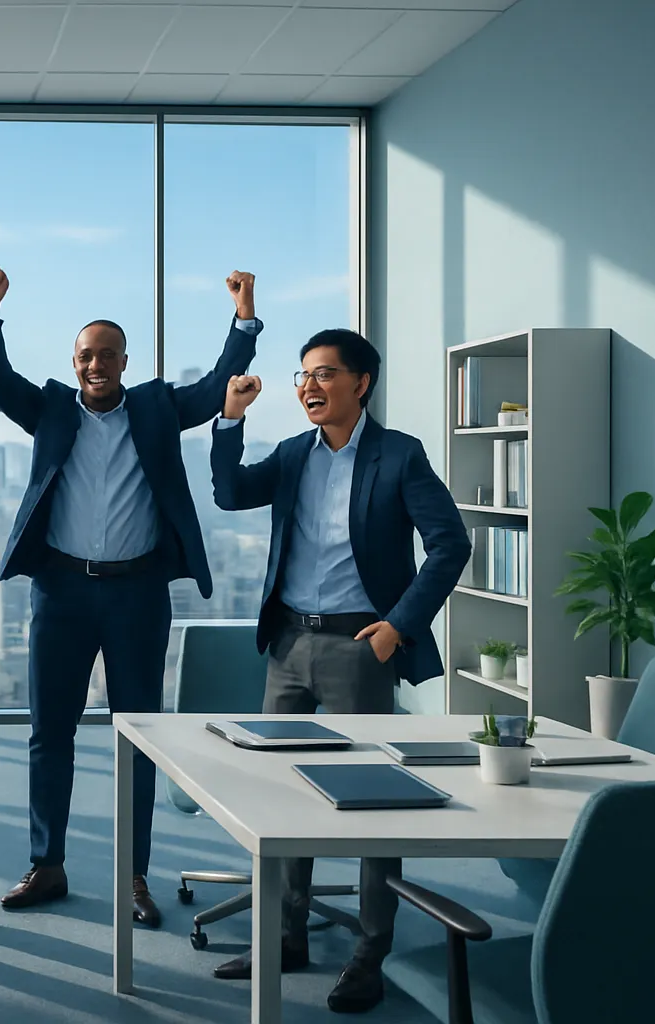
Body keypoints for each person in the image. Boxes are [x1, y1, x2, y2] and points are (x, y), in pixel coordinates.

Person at [0, 265, 261, 928]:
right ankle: (47, 864)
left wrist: (243, 318)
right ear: (74, 364)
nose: (95, 363)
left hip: (137, 593)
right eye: (84, 355)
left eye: (106, 354)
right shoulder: (47, 408)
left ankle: (134, 875)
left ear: (124, 362)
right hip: (61, 591)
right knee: (51, 732)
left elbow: (218, 386)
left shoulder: (158, 409)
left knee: (138, 734)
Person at [207, 328, 469, 1013]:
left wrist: (398, 627)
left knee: (373, 800)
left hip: (361, 646)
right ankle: (287, 934)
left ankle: (369, 952)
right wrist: (230, 420)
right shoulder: (293, 453)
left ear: (362, 383)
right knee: (281, 794)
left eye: (324, 374)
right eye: (302, 376)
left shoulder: (399, 455)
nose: (309, 387)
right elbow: (231, 493)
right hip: (289, 644)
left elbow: (450, 544)